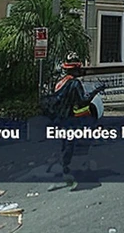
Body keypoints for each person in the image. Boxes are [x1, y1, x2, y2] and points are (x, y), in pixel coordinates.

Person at [49, 53, 105, 186]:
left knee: (65, 142)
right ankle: (66, 169)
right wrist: (96, 91)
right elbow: (82, 102)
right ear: (75, 69)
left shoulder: (60, 82)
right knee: (71, 143)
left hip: (58, 118)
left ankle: (64, 166)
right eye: (79, 68)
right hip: (70, 119)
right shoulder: (75, 84)